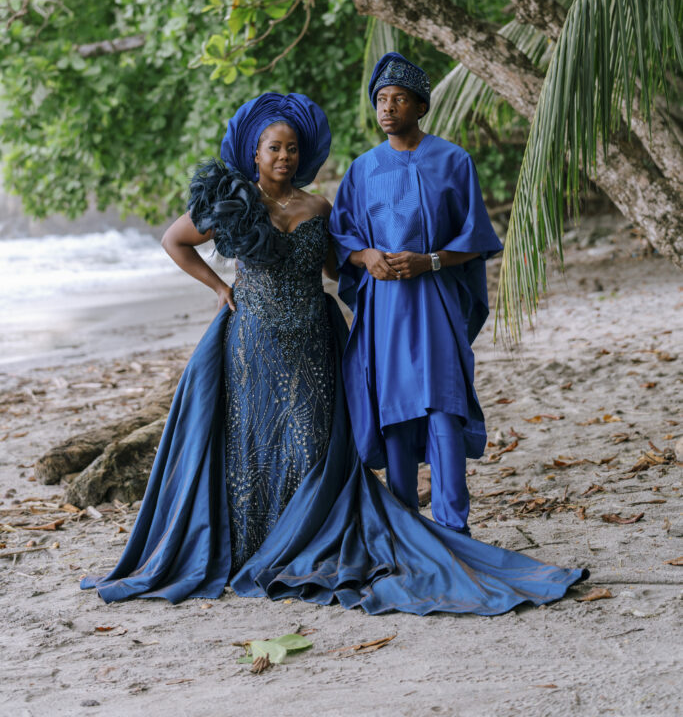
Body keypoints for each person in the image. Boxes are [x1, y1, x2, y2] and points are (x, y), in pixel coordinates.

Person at [82, 90, 586, 614]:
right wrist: (217, 287)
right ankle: (256, 546)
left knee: (310, 443)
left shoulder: (319, 206)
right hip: (252, 339)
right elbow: (174, 241)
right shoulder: (233, 200)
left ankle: (307, 542)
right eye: (274, 148)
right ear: (254, 153)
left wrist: (380, 263)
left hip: (313, 339)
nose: (284, 157)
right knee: (252, 443)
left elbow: (335, 268)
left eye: (292, 148)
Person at [329, 52, 503, 533]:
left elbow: (475, 238)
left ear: (420, 107)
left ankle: (453, 525)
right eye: (381, 100)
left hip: (436, 301)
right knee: (396, 409)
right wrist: (368, 258)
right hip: (385, 306)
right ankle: (405, 523)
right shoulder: (363, 170)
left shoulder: (453, 161)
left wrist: (429, 260)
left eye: (398, 99)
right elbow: (342, 237)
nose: (387, 108)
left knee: (443, 401)